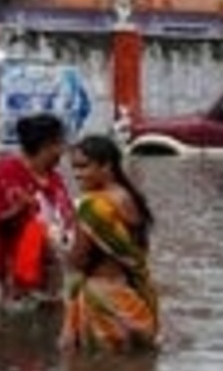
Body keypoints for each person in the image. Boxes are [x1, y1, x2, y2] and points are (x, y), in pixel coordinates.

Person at [61, 134, 159, 353]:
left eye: (84, 167)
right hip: (129, 292)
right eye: (74, 168)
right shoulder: (130, 197)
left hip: (102, 295)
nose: (77, 174)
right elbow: (139, 251)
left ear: (107, 165)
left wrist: (56, 244)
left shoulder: (93, 207)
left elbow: (78, 259)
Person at [0, 113, 76, 306]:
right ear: (46, 145)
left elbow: (65, 217)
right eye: (60, 144)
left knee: (51, 312)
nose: (63, 151)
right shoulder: (4, 172)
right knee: (10, 320)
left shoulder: (54, 178)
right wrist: (17, 210)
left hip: (49, 263)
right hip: (12, 264)